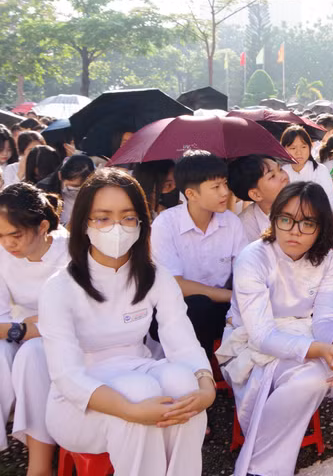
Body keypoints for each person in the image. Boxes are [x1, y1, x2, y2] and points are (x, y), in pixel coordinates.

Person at [39, 168, 212, 476]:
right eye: (103, 218)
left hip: (138, 370)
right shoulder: (59, 287)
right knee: (140, 393)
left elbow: (182, 341)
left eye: (127, 217)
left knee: (185, 390)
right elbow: (67, 376)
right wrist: (130, 409)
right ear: (83, 224)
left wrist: (206, 387)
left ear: (141, 222)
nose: (116, 228)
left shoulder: (154, 275)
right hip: (79, 403)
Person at [216, 182, 333, 476]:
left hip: (306, 331)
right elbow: (262, 334)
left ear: (321, 227)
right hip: (252, 343)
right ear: (274, 219)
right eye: (286, 219)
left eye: (307, 223)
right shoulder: (253, 258)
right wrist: (319, 350)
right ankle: (262, 467)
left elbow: (325, 316)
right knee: (311, 377)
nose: (294, 231)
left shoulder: (327, 258)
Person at [0, 184, 70, 476]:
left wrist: (28, 329)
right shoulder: (1, 255)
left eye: (15, 235)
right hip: (25, 328)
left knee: (31, 354)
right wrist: (23, 329)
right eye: (0, 236)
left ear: (42, 226)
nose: (7, 244)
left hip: (70, 337)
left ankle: (39, 464)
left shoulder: (70, 251)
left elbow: (75, 317)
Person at [150, 151, 248, 357]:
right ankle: (200, 374)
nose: (225, 192)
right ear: (191, 194)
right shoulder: (165, 224)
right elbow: (175, 284)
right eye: (216, 187)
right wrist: (232, 296)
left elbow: (245, 271)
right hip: (176, 308)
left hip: (222, 306)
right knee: (199, 307)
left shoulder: (231, 222)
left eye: (225, 183)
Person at [228, 155, 290, 242]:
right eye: (272, 176)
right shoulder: (244, 228)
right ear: (256, 194)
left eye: (280, 169)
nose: (284, 177)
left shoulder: (306, 203)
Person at [36, 155, 96, 226]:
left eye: (78, 187)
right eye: (71, 186)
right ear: (60, 175)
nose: (74, 190)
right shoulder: (45, 190)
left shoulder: (96, 191)